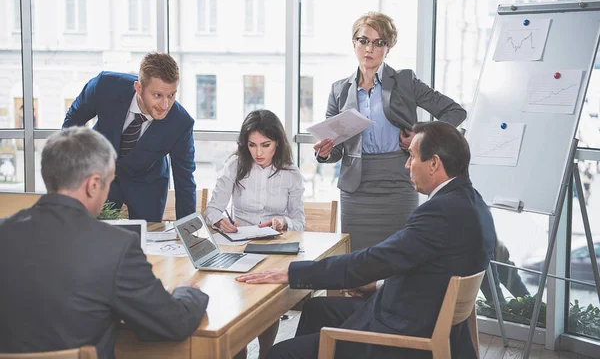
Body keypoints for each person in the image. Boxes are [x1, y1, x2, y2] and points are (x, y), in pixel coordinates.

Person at [238, 121, 496, 359]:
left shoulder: (439, 212)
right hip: (425, 315)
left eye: (412, 156)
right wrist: (378, 285)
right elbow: (431, 272)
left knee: (281, 354)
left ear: (434, 163)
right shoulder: (472, 202)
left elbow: (375, 259)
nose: (407, 165)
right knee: (317, 309)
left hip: (405, 335)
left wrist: (292, 272)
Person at [0, 127, 209, 359]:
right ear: (93, 185)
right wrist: (187, 292)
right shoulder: (115, 247)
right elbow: (174, 323)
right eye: (108, 183)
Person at [313, 12, 466, 251]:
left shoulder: (405, 81)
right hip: (357, 190)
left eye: (378, 42)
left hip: (398, 183)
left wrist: (422, 139)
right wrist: (325, 152)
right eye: (363, 41)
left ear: (388, 48)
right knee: (357, 261)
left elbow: (454, 111)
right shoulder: (339, 90)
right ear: (354, 43)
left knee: (401, 257)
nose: (369, 48)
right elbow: (336, 149)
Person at [204, 109, 305, 359]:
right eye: (252, 145)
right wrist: (219, 220)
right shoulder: (235, 165)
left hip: (275, 248)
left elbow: (299, 222)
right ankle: (238, 351)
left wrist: (282, 221)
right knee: (237, 303)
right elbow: (212, 210)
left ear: (277, 143)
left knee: (266, 302)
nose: (258, 152)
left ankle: (266, 353)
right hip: (239, 246)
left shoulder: (291, 173)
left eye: (265, 145)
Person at [63, 52, 196, 222]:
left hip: (147, 186)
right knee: (90, 232)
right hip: (100, 173)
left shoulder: (181, 123)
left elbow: (185, 180)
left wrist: (188, 232)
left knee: (146, 242)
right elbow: (73, 120)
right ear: (139, 88)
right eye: (157, 95)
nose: (165, 105)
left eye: (171, 95)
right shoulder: (105, 85)